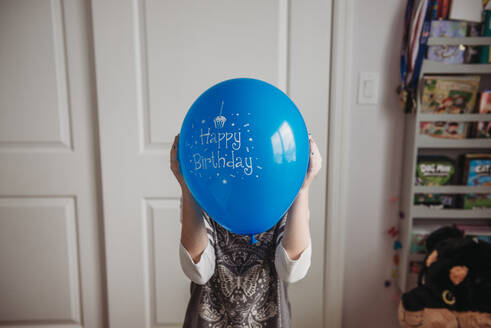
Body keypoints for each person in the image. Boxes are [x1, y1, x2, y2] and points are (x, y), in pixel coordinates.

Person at [170, 133, 322, 328]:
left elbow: (292, 271)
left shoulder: (284, 202)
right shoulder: (203, 198)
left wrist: (303, 189)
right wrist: (186, 186)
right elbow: (198, 271)